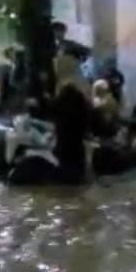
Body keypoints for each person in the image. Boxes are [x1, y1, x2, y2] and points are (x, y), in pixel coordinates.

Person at [50, 51, 91, 185]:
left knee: (68, 178)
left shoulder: (67, 91)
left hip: (66, 141)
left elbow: (58, 112)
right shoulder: (80, 87)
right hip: (76, 140)